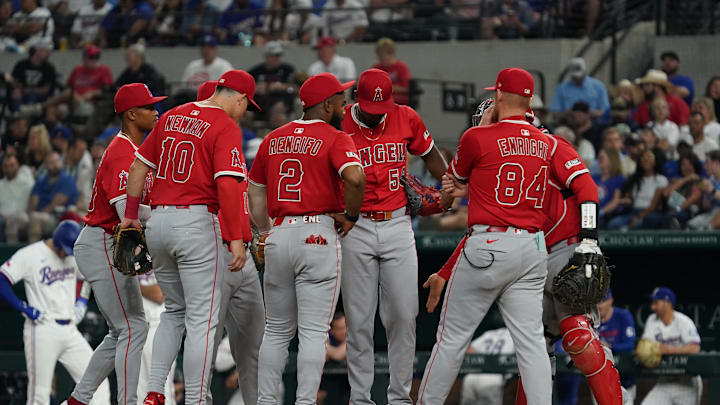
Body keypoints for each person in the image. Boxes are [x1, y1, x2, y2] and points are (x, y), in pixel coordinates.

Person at [418, 68, 599, 405]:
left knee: (452, 339)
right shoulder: (548, 143)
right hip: (532, 247)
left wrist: (481, 132)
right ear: (529, 100)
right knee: (531, 343)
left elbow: (454, 180)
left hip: (488, 244)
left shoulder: (477, 136)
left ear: (499, 96)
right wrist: (590, 238)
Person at [119, 70, 254, 405]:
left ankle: (153, 391)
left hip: (159, 223)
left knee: (173, 311)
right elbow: (227, 185)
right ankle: (194, 399)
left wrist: (131, 216)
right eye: (246, 104)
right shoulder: (225, 126)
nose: (245, 110)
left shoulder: (173, 115)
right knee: (202, 321)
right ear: (237, 97)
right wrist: (235, 237)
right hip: (197, 223)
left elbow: (138, 168)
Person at [248, 72, 366, 405]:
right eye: (341, 101)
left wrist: (262, 233)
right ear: (328, 104)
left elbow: (254, 191)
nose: (345, 106)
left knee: (276, 331)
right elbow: (356, 179)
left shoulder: (273, 138)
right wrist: (352, 215)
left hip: (279, 232)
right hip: (317, 232)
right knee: (314, 331)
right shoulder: (335, 136)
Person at [340, 68, 448, 405]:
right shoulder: (339, 123)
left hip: (398, 222)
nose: (377, 115)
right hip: (354, 226)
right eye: (371, 110)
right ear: (357, 99)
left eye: (382, 108)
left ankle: (400, 398)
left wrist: (450, 186)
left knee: (404, 314)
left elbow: (431, 155)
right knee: (358, 320)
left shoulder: (405, 117)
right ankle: (360, 399)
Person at [64, 83, 167, 405]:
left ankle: (77, 401)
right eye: (149, 107)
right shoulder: (122, 152)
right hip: (101, 242)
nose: (156, 112)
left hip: (108, 243)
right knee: (134, 327)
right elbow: (128, 214)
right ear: (131, 114)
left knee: (122, 330)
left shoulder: (135, 151)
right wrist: (173, 211)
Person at [0, 221, 111, 405]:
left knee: (98, 382)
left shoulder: (73, 254)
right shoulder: (31, 254)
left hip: (69, 328)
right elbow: (2, 278)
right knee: (40, 395)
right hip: (42, 328)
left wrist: (82, 301)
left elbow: (86, 278)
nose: (66, 254)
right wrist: (22, 306)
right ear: (57, 242)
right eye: (65, 250)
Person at [640, 287, 702, 405]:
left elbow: (695, 348)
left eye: (656, 302)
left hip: (687, 381)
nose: (652, 307)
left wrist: (670, 350)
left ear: (667, 303)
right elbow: (645, 346)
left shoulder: (683, 321)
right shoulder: (652, 320)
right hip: (665, 381)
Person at [137, 272, 176, 405]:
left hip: (159, 327)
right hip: (137, 329)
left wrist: (132, 283)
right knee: (140, 391)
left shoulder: (163, 257)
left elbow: (158, 294)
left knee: (162, 390)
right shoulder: (126, 258)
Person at [607, 150, 668, 230]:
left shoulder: (661, 180)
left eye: (649, 157)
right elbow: (631, 200)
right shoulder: (635, 180)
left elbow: (654, 206)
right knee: (613, 224)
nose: (646, 160)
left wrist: (638, 216)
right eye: (643, 158)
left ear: (655, 161)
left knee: (637, 224)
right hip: (634, 212)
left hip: (650, 214)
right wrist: (627, 201)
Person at [27, 151, 79, 241]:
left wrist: (35, 214)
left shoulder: (67, 179)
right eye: (51, 163)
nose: (55, 165)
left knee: (35, 218)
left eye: (57, 161)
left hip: (58, 217)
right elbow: (33, 201)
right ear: (45, 165)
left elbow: (54, 204)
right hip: (38, 216)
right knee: (15, 219)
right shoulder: (41, 180)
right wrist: (31, 214)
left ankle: (33, 252)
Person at [597, 290, 637, 403]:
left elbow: (630, 345)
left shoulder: (622, 316)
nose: (599, 305)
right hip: (601, 384)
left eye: (603, 301)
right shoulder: (592, 319)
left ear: (611, 301)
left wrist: (609, 346)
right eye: (597, 302)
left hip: (625, 382)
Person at [460, 327, 514, 405]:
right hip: (493, 378)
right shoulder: (518, 335)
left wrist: (482, 362)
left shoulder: (490, 333)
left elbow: (469, 350)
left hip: (471, 376)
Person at [551, 58, 611, 122]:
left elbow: (605, 111)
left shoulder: (599, 86)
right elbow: (555, 114)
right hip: (569, 123)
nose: (577, 79)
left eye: (579, 77)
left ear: (585, 71)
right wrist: (570, 113)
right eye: (575, 77)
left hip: (594, 123)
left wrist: (585, 113)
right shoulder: (562, 88)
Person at [248, 41, 297, 113]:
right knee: (247, 111)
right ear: (266, 56)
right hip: (259, 101)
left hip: (281, 100)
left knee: (279, 109)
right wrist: (255, 89)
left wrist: (281, 86)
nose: (276, 58)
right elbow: (244, 89)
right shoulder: (255, 71)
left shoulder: (288, 70)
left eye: (278, 55)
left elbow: (296, 89)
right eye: (273, 55)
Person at [11, 38, 57, 107]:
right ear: (37, 50)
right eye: (45, 51)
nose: (48, 54)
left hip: (39, 98)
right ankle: (18, 114)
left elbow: (47, 89)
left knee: (32, 97)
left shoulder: (49, 68)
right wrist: (16, 90)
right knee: (16, 96)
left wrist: (29, 90)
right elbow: (14, 81)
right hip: (22, 95)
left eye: (49, 51)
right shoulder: (21, 65)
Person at [0, 153, 34, 242]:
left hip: (23, 217)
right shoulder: (0, 185)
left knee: (12, 220)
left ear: (18, 166)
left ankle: (11, 253)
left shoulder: (26, 182)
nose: (9, 169)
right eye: (5, 166)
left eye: (12, 165)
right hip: (3, 218)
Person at [320, 312, 351, 405]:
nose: (344, 331)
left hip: (349, 386)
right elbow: (324, 357)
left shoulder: (353, 337)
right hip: (329, 385)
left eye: (345, 327)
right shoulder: (331, 340)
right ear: (332, 331)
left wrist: (324, 345)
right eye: (340, 329)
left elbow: (338, 355)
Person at [372, 38, 411, 106]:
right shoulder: (376, 68)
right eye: (380, 56)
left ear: (392, 53)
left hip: (399, 103)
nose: (383, 58)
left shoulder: (401, 67)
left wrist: (387, 88)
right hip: (379, 103)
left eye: (385, 55)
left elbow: (406, 88)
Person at [594, 148, 626, 226]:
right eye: (598, 158)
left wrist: (601, 212)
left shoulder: (619, 179)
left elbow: (615, 201)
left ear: (611, 159)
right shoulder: (593, 178)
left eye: (602, 158)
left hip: (608, 215)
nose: (599, 160)